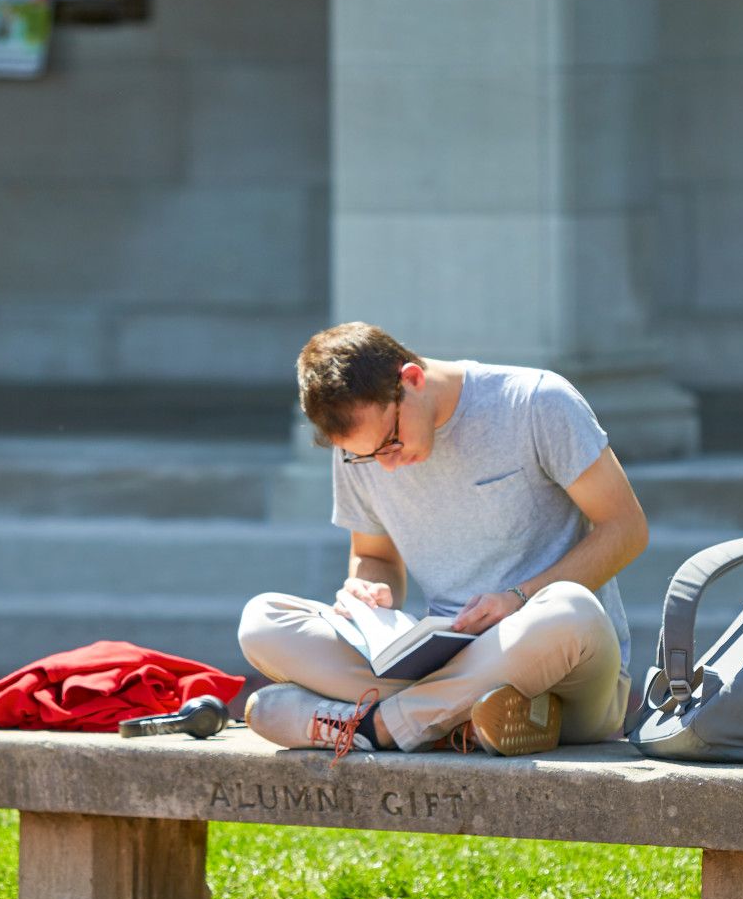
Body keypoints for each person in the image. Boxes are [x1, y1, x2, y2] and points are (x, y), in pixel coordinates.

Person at [237, 322, 648, 757]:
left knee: (570, 609)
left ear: (411, 379)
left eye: (391, 442)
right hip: (443, 664)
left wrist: (519, 598)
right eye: (367, 456)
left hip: (561, 664)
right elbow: (373, 555)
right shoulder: (358, 452)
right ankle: (457, 717)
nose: (388, 466)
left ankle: (379, 727)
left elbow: (626, 530)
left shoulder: (536, 402)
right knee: (262, 620)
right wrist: (370, 591)